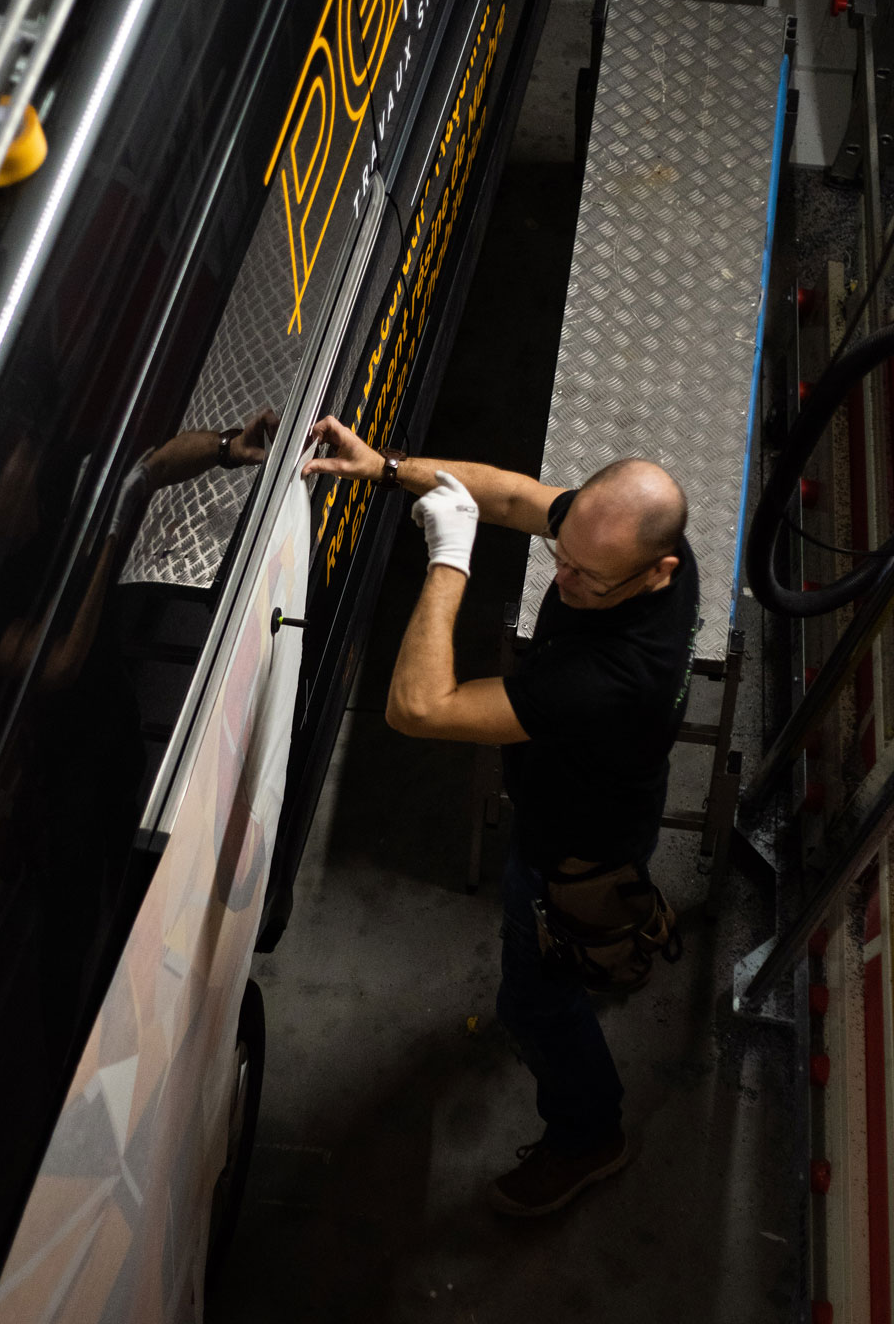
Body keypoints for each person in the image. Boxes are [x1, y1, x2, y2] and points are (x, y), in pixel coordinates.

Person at [301, 417, 698, 1217]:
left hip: (571, 850)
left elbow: (419, 707)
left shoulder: (610, 677)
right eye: (565, 558)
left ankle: (589, 1137)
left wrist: (449, 557)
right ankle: (611, 950)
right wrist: (389, 468)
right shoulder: (643, 545)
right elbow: (517, 498)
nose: (564, 582)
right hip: (613, 794)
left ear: (656, 573)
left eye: (588, 578)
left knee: (534, 1001)